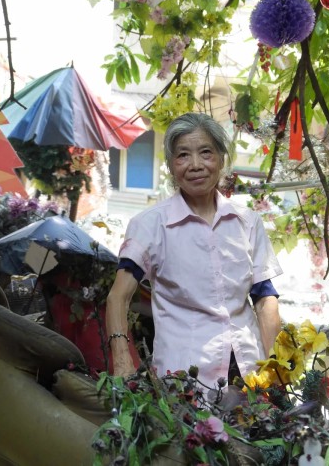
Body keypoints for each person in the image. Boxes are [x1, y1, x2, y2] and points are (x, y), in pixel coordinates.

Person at [106, 112, 283, 389]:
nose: (196, 165)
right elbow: (118, 296)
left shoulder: (247, 222)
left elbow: (264, 298)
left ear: (221, 159)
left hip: (249, 369)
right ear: (171, 165)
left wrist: (277, 367)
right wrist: (121, 361)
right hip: (185, 380)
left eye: (206, 152)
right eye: (183, 155)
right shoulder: (150, 225)